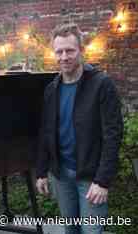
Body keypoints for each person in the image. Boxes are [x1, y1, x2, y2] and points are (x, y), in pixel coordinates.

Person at [35, 23, 123, 234]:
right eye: (59, 51)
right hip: (62, 176)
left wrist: (102, 181)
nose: (64, 57)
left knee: (91, 231)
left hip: (90, 178)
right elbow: (46, 132)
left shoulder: (102, 85)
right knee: (70, 229)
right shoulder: (51, 89)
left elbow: (113, 135)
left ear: (81, 51)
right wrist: (41, 171)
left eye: (70, 50)